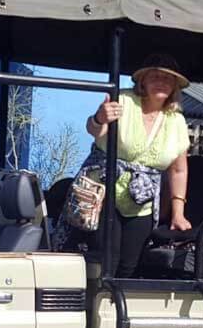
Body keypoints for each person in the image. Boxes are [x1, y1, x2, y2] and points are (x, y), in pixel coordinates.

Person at [70, 53, 192, 278]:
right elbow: (95, 130)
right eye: (155, 76)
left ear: (175, 86)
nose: (161, 81)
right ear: (142, 81)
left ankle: (116, 309)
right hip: (104, 193)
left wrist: (178, 213)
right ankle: (97, 306)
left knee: (130, 264)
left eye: (167, 78)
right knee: (108, 257)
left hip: (142, 201)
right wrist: (99, 118)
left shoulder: (177, 121)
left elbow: (178, 169)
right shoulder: (122, 100)